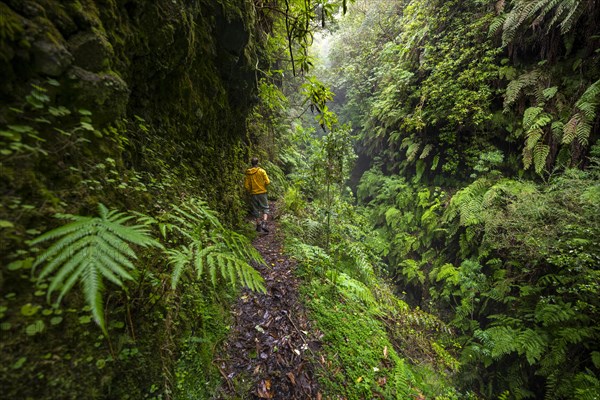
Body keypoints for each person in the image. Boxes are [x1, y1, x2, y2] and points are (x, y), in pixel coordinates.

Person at [244, 157, 270, 233]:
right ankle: (264, 223)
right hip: (262, 193)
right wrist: (263, 186)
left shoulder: (248, 173)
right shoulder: (262, 171)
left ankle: (258, 226)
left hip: (253, 194)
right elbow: (267, 182)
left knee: (255, 210)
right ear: (257, 163)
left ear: (251, 163)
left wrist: (251, 190)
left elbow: (246, 185)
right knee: (265, 208)